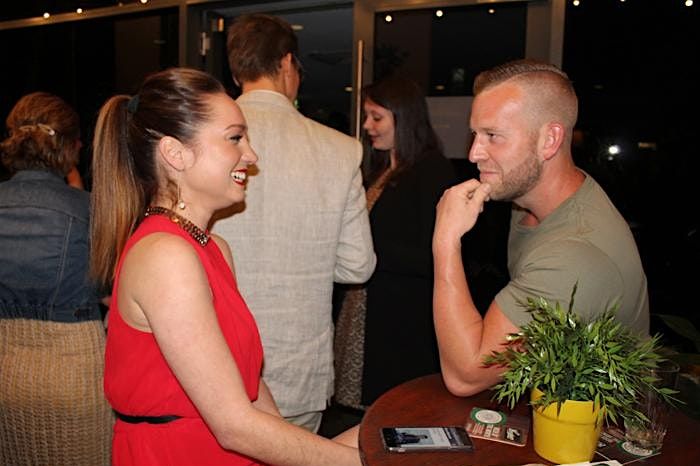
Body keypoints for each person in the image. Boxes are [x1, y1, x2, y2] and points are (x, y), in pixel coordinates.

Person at [90, 67, 361, 466]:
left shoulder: (213, 247)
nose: (251, 155)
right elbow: (233, 425)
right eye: (235, 138)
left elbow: (249, 387)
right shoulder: (166, 255)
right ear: (175, 153)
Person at [432, 59, 649, 397]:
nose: (474, 153)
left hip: (601, 427)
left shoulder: (575, 255)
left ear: (549, 139)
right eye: (475, 134)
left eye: (493, 136)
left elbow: (466, 376)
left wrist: (445, 240)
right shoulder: (529, 201)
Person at [213, 13, 376, 432]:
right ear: (287, 63)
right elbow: (357, 266)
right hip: (299, 370)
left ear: (236, 71)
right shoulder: (340, 149)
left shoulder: (204, 141)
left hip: (214, 364)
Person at [0, 92, 112, 466]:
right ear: (70, 146)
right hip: (74, 376)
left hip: (5, 374)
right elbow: (108, 290)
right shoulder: (91, 209)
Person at [334, 76, 458, 408]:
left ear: (404, 118)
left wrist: (369, 251)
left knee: (393, 409)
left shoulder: (431, 171)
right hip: (365, 309)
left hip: (402, 321)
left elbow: (434, 257)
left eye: (376, 117)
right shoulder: (381, 170)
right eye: (367, 116)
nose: (367, 126)